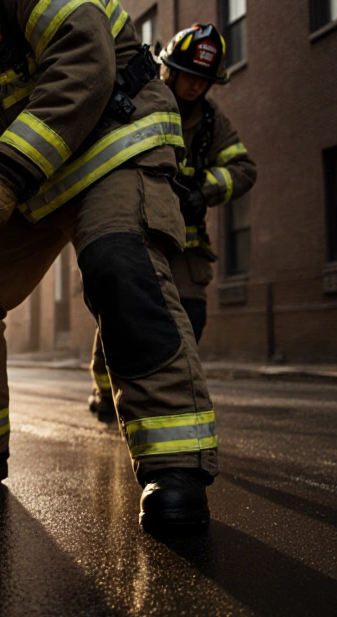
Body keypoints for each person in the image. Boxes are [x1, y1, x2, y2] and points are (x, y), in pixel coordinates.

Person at [0, 0, 219, 529]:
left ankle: (177, 468)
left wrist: (5, 172)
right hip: (31, 173)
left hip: (112, 143)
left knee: (120, 269)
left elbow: (83, 60)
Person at [88, 23, 257, 422]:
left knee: (189, 320)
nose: (197, 86)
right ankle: (105, 386)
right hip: (138, 227)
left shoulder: (213, 122)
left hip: (185, 243)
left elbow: (244, 168)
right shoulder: (140, 96)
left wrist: (205, 190)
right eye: (190, 75)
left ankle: (163, 401)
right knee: (122, 313)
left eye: (205, 80)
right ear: (170, 68)